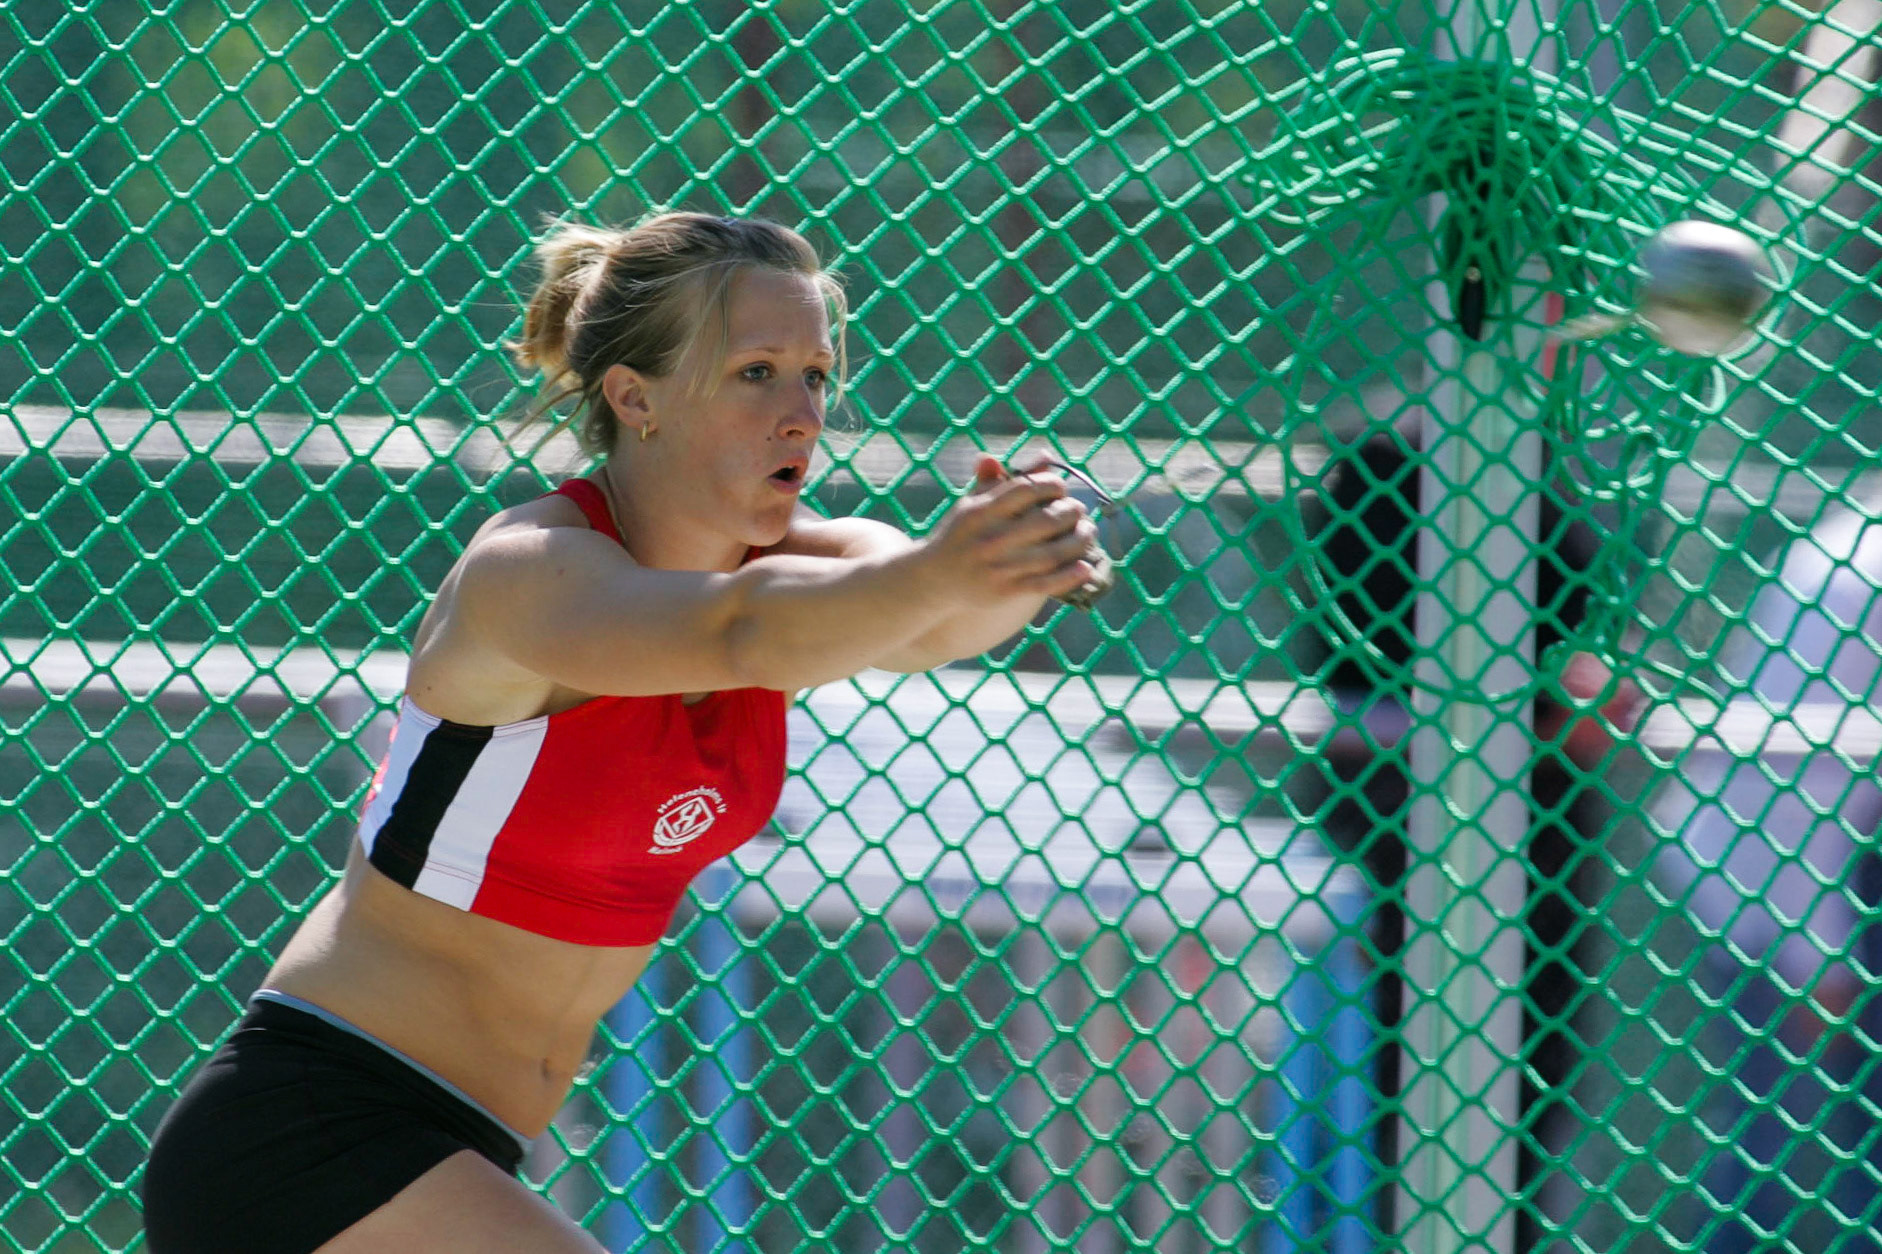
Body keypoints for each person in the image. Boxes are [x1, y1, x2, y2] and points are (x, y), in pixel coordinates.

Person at [138, 211, 1103, 1253]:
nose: (802, 414)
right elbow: (746, 629)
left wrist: (1020, 561)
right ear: (632, 397)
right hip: (312, 1132)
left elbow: (935, 621)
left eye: (816, 375)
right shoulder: (528, 573)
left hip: (459, 1145)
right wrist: (940, 572)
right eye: (755, 374)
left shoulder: (819, 564)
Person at [1301, 418, 1639, 1249]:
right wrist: (1541, 710)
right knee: (1378, 1124)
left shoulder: (1581, 456)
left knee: (1521, 1126)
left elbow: (1588, 648)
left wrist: (1595, 679)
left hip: (1542, 874)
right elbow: (1369, 663)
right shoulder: (1388, 462)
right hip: (1402, 855)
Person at [1650, 494, 1882, 1254]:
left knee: (1797, 1138)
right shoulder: (1860, 568)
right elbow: (1800, 780)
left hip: (1798, 881)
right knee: (1778, 1140)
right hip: (1770, 887)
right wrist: (1820, 960)